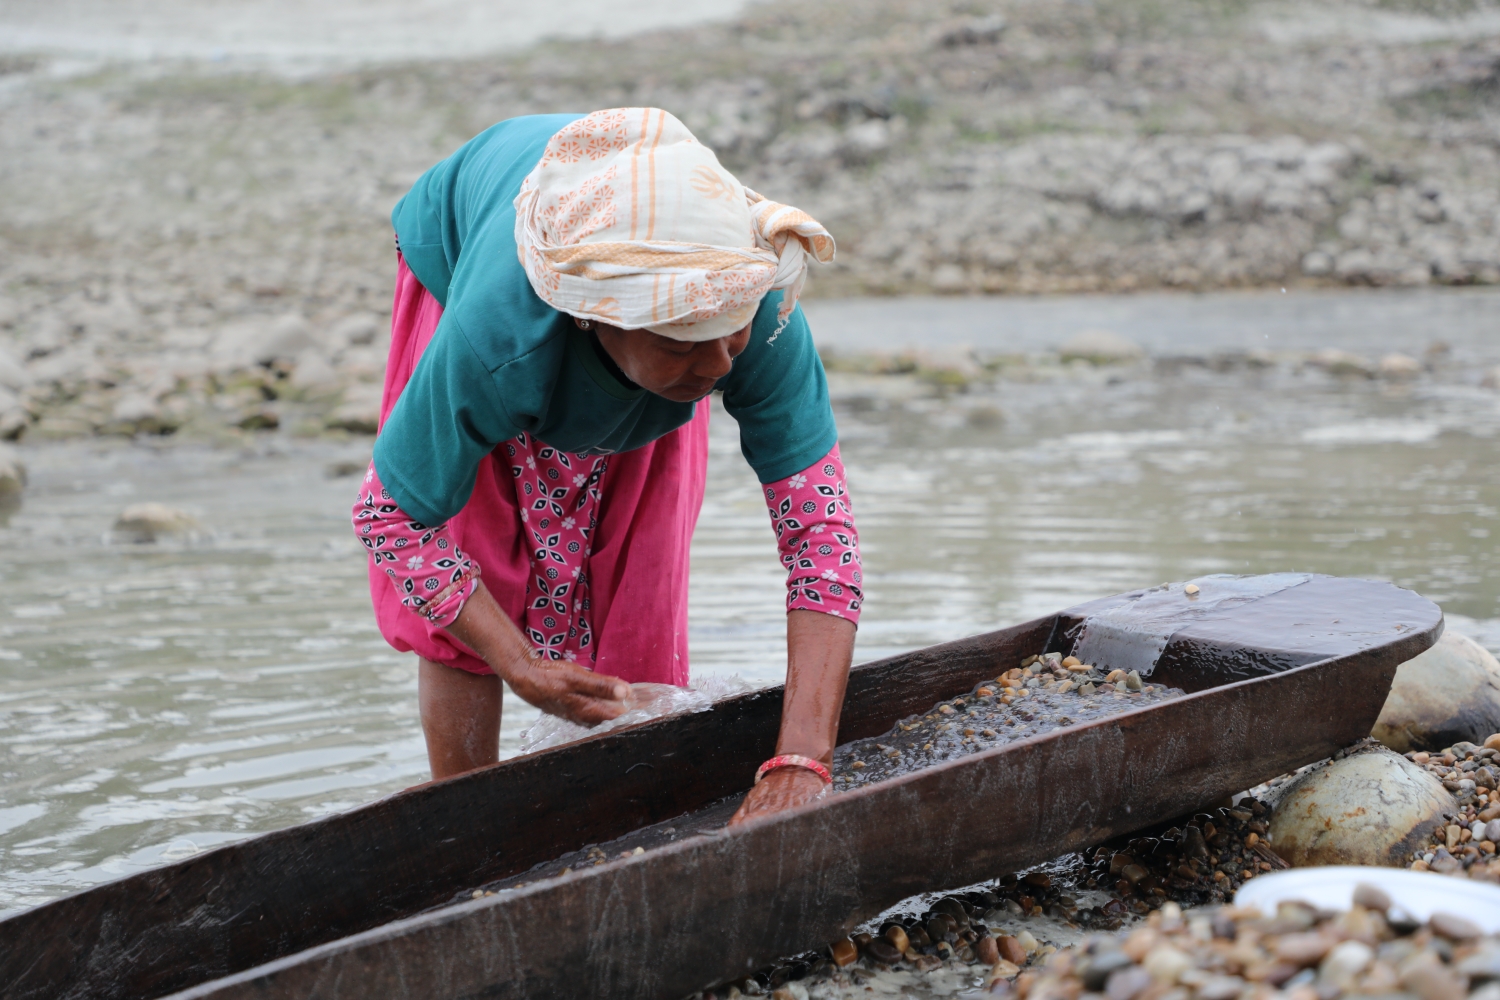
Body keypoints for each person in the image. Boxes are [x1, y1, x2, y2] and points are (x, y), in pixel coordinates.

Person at [352, 108, 862, 824]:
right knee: (478, 555)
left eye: (728, 336)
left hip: (639, 303)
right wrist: (519, 665)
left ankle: (627, 825)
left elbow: (823, 539)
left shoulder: (757, 308)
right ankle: (466, 823)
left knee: (639, 582)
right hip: (471, 248)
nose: (718, 367)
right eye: (685, 343)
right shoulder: (496, 340)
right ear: (595, 315)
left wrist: (802, 760)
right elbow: (394, 518)